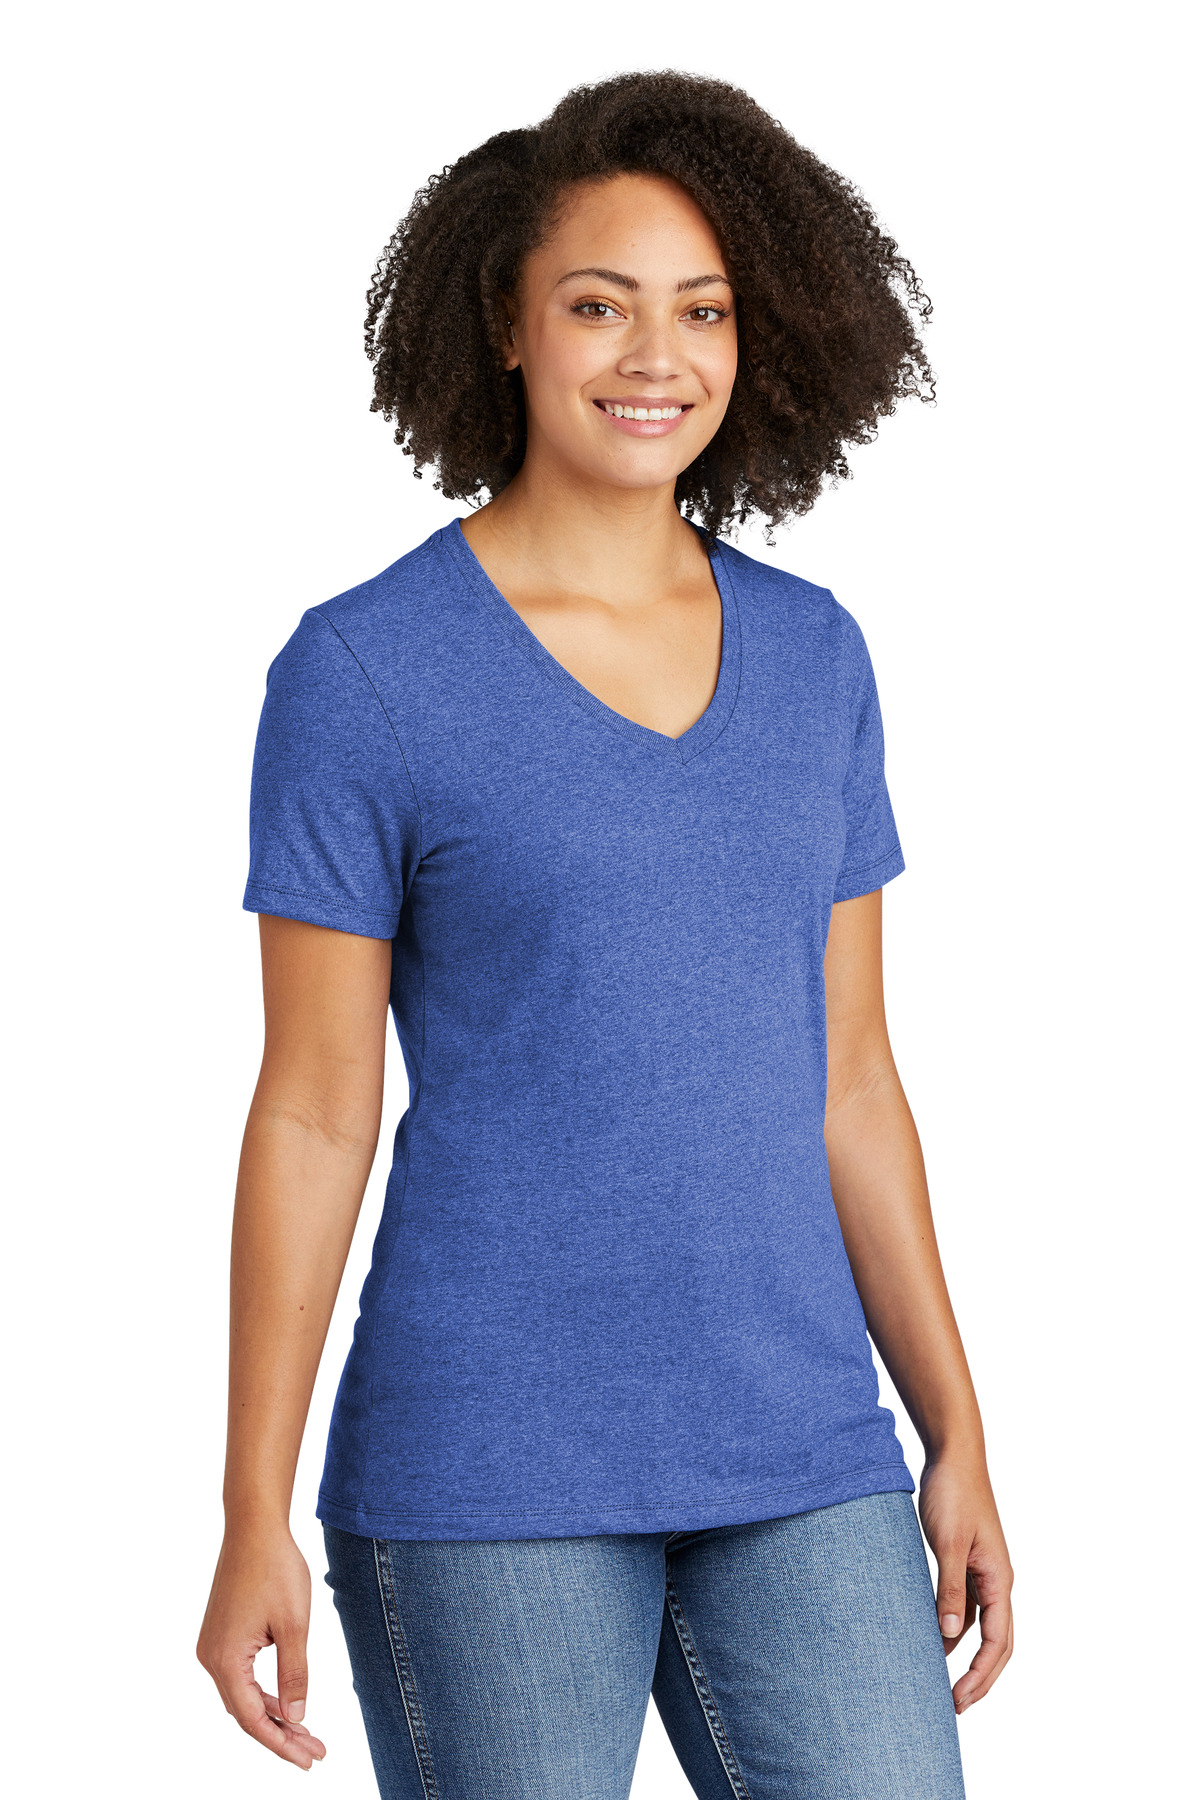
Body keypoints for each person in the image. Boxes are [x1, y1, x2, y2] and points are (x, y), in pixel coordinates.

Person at [197, 69, 1014, 1800]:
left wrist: (956, 1431)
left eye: (703, 310)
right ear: (506, 325)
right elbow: (314, 1111)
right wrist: (249, 1503)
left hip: (803, 1452)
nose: (657, 357)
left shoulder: (816, 657)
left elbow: (854, 1084)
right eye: (599, 305)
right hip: (487, 1471)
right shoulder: (364, 673)